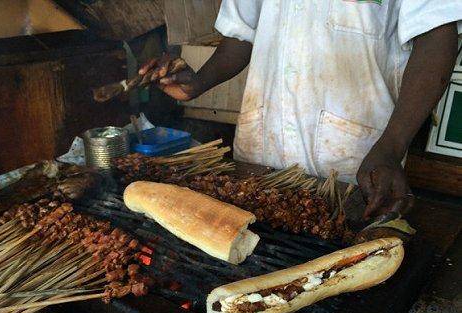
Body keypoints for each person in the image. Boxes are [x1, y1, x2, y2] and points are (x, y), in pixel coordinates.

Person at [141, 1, 461, 219]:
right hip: (261, 152)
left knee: (340, 281)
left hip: (354, 159)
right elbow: (241, 34)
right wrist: (199, 82)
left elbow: (437, 36)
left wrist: (392, 147)